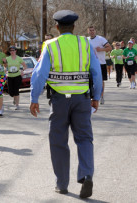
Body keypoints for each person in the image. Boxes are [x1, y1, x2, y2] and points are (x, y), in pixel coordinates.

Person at [30, 10, 102, 199]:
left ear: (56, 27)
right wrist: (96, 96)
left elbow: (39, 75)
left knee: (58, 141)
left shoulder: (50, 45)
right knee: (85, 139)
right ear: (74, 27)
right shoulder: (85, 43)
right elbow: (96, 72)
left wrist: (34, 98)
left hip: (59, 100)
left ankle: (61, 184)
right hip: (83, 99)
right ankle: (86, 174)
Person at [88, 25, 112, 105]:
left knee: (100, 81)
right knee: (90, 80)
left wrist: (101, 49)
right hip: (90, 64)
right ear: (88, 31)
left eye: (93, 30)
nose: (92, 32)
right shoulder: (86, 40)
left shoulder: (101, 39)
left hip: (100, 63)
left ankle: (101, 96)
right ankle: (91, 96)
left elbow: (109, 48)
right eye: (90, 30)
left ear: (95, 31)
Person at [5, 46, 27, 110]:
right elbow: (5, 66)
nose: (12, 51)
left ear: (15, 51)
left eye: (13, 50)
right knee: (11, 92)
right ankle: (14, 98)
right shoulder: (7, 58)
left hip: (17, 76)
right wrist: (5, 69)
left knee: (16, 90)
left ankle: (17, 105)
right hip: (10, 76)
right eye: (11, 50)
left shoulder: (19, 58)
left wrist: (22, 70)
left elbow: (25, 66)